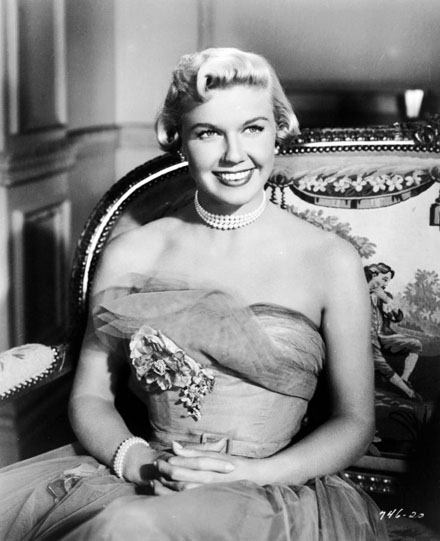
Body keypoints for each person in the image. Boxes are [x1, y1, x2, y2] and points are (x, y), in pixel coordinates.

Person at [0, 48, 388, 540]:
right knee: (123, 525)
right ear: (180, 141)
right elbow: (92, 394)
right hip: (144, 479)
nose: (234, 155)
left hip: (272, 492)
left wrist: (253, 475)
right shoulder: (133, 252)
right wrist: (138, 462)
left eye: (253, 128)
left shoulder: (331, 259)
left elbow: (354, 422)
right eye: (208, 133)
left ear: (278, 131)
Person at [364, 262, 423, 400]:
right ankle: (407, 391)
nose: (386, 284)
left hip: (383, 335)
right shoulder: (359, 292)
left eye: (388, 281)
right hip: (366, 337)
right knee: (379, 362)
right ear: (374, 275)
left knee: (416, 344)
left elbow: (398, 317)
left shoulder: (384, 296)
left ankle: (404, 379)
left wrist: (386, 300)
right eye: (384, 279)